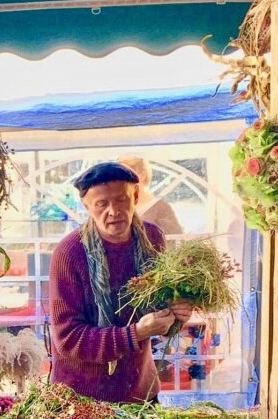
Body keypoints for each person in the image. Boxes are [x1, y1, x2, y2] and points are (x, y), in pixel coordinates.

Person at [48, 162, 192, 403]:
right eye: (102, 204)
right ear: (86, 206)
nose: (113, 211)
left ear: (135, 196)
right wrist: (135, 333)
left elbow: (158, 303)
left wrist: (176, 313)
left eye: (121, 200)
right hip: (83, 399)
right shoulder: (69, 254)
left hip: (139, 390)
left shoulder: (152, 238)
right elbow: (68, 339)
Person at [117, 156, 184, 238]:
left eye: (127, 174)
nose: (122, 180)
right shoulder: (117, 207)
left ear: (143, 175)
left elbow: (176, 242)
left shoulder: (162, 209)